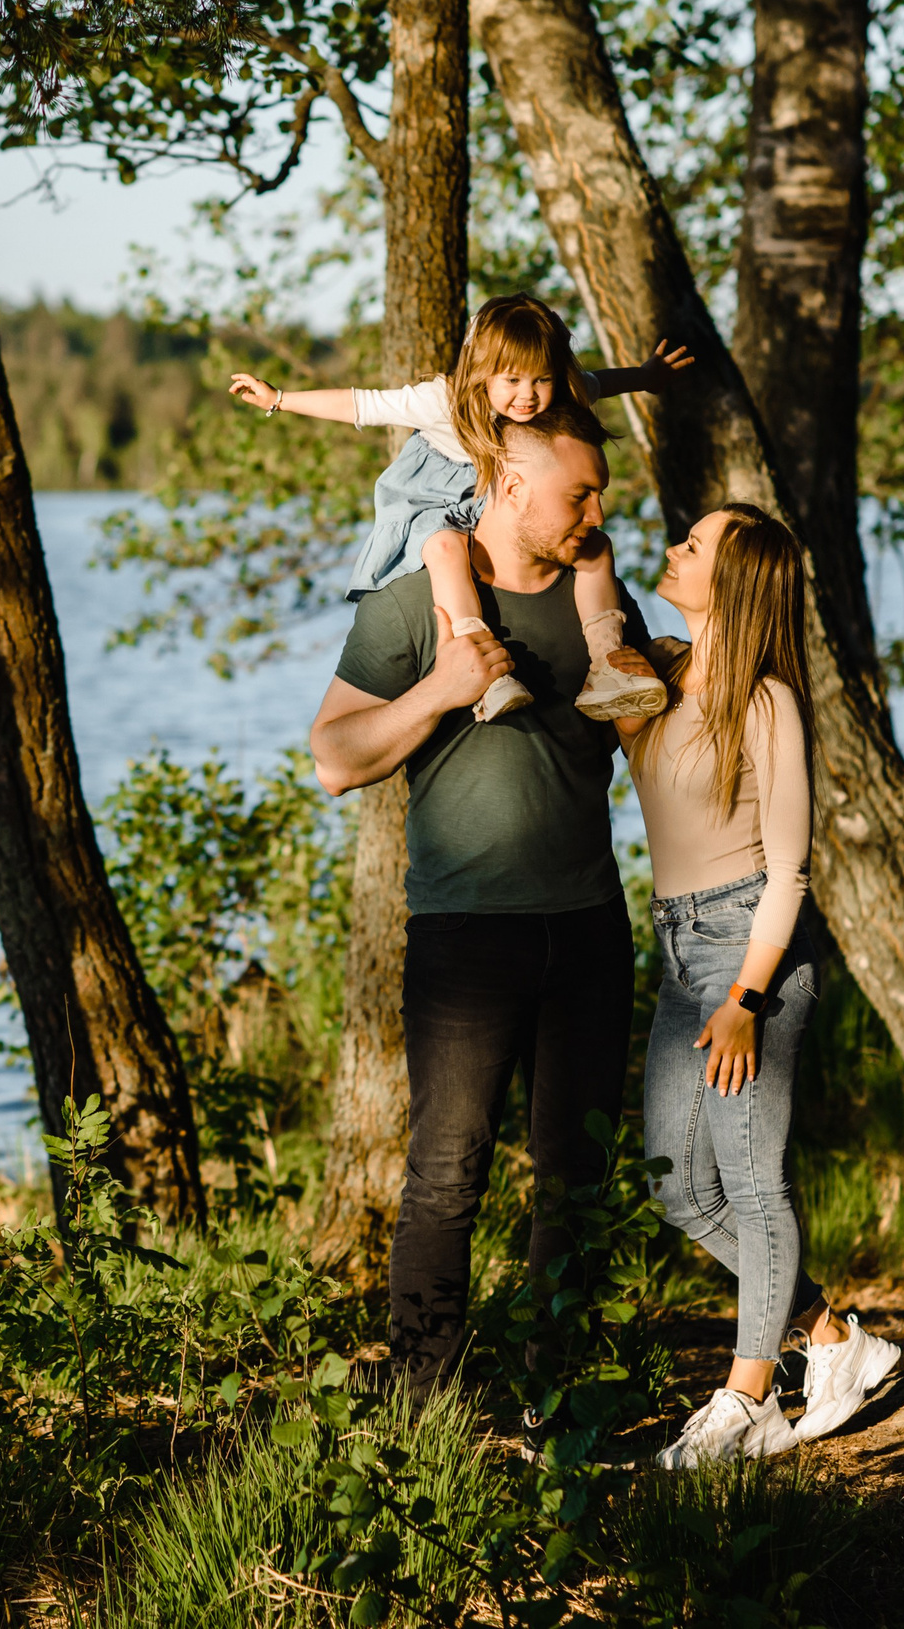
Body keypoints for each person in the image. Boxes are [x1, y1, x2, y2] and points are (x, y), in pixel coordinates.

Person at [309, 401, 664, 1397]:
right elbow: (334, 758)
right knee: (446, 1171)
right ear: (509, 484)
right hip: (464, 937)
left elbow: (654, 742)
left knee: (577, 1176)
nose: (598, 512)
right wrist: (440, 688)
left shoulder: (602, 604)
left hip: (589, 931)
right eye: (579, 494)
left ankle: (558, 1400)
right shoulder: (411, 606)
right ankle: (426, 1397)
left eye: (600, 493)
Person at [610, 503, 903, 1467]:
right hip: (678, 947)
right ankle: (832, 1337)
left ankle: (748, 1401)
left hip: (751, 955)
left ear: (733, 582)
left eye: (694, 544)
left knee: (751, 1179)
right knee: (679, 1189)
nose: (674, 547)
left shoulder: (768, 701)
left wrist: (744, 999)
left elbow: (790, 870)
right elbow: (588, 612)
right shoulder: (656, 671)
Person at [232, 295, 688, 724]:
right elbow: (364, 404)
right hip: (434, 503)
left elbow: (600, 382)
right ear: (483, 370)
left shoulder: (562, 396)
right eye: (512, 380)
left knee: (597, 548)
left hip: (494, 507)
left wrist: (646, 377)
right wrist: (278, 400)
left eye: (541, 379)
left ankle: (606, 663)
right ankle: (484, 667)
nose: (528, 395)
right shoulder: (444, 402)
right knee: (447, 548)